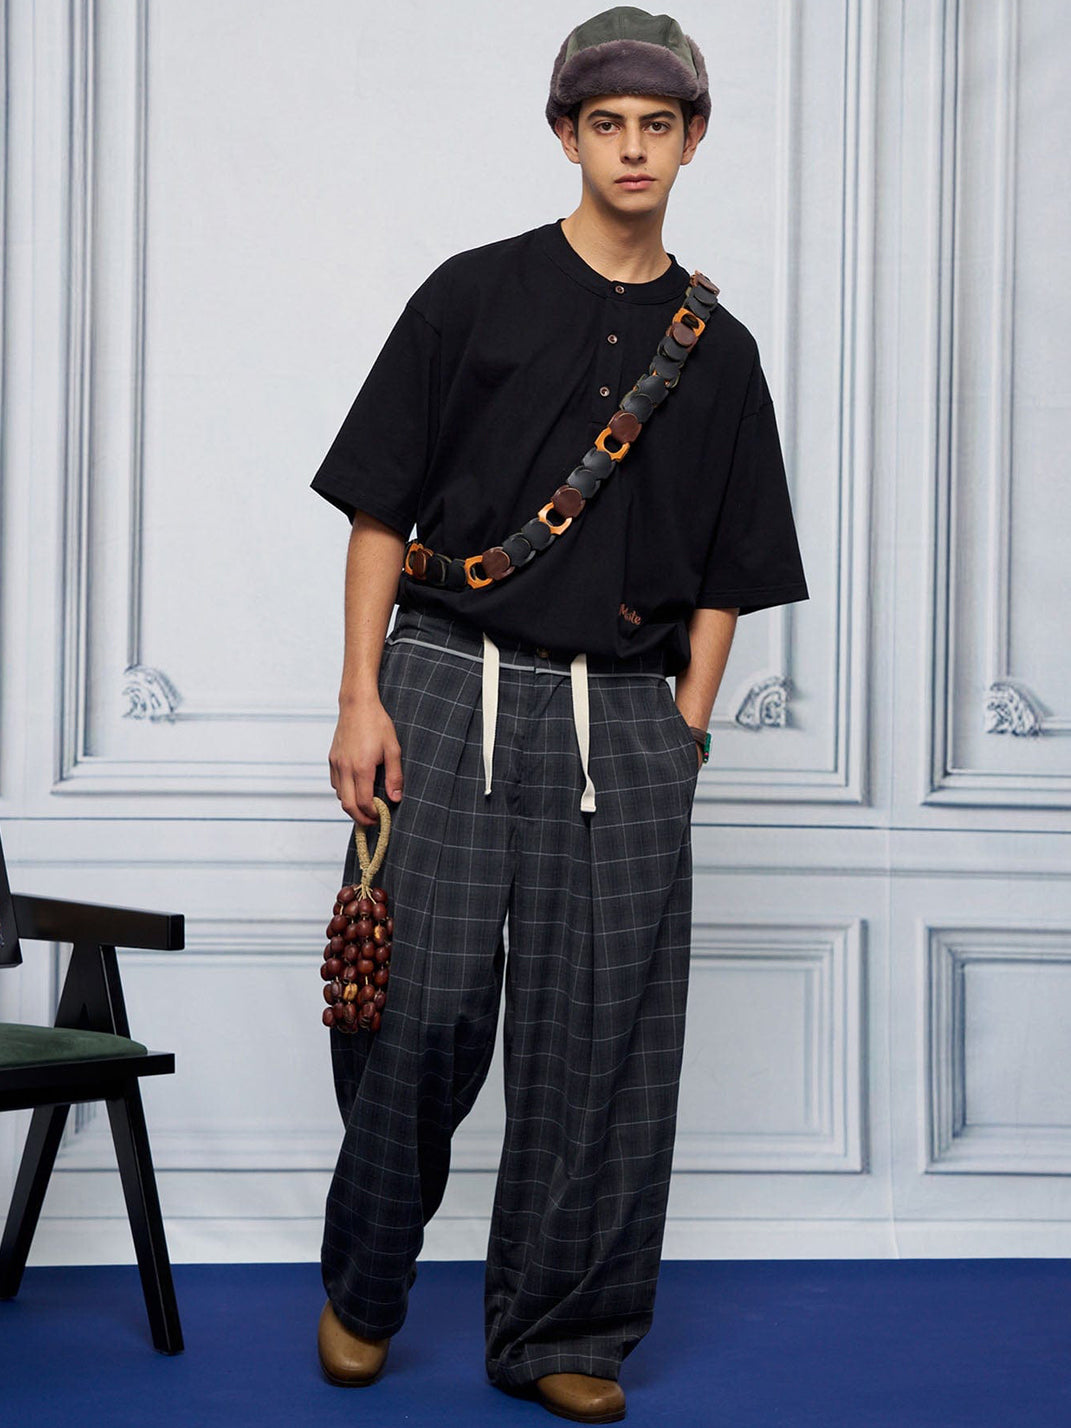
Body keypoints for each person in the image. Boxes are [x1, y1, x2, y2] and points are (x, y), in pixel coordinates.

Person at [308, 6, 808, 1421]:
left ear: (693, 141)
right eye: (607, 124)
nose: (633, 148)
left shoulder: (721, 352)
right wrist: (359, 695)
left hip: (628, 719)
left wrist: (686, 725)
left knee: (603, 1040)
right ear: (566, 134)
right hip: (441, 682)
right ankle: (366, 1280)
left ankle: (565, 1331)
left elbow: (732, 569)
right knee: (419, 1013)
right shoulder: (471, 294)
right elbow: (379, 507)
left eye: (658, 124)